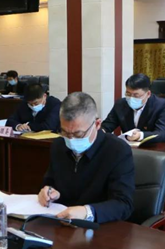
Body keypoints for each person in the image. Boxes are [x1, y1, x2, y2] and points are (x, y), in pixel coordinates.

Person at [38, 92, 135, 224]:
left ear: (97, 124)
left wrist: (87, 212)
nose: (71, 139)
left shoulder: (118, 150)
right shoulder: (59, 145)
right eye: (64, 132)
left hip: (101, 227)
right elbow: (50, 182)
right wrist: (48, 191)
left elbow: (124, 204)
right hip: (62, 221)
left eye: (78, 134)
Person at [102, 74, 165, 143]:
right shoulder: (121, 104)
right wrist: (101, 131)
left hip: (153, 147)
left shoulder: (161, 105)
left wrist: (140, 135)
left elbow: (162, 133)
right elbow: (108, 125)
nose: (131, 98)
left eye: (136, 95)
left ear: (148, 94)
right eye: (128, 94)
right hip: (129, 146)